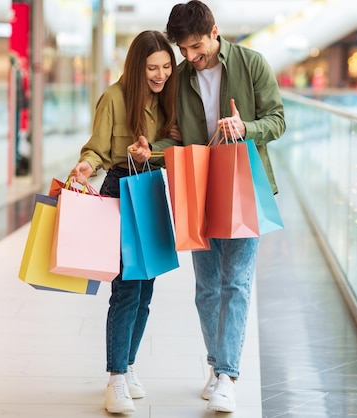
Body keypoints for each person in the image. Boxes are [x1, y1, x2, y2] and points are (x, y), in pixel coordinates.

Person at [165, 1, 286, 413]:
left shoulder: (252, 64)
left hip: (245, 187)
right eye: (184, 51)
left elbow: (278, 119)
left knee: (235, 282)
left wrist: (245, 127)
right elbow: (174, 136)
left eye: (197, 47)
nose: (191, 58)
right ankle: (217, 366)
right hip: (200, 187)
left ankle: (228, 375)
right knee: (206, 289)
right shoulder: (181, 78)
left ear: (215, 32)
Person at [67, 30, 179, 414]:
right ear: (137, 66)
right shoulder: (114, 98)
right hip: (120, 188)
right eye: (152, 68)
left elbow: (175, 145)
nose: (160, 75)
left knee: (147, 289)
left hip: (150, 188)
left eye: (166, 67)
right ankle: (115, 377)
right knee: (127, 287)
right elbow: (96, 148)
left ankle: (128, 367)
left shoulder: (170, 100)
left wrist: (154, 152)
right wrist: (87, 164)